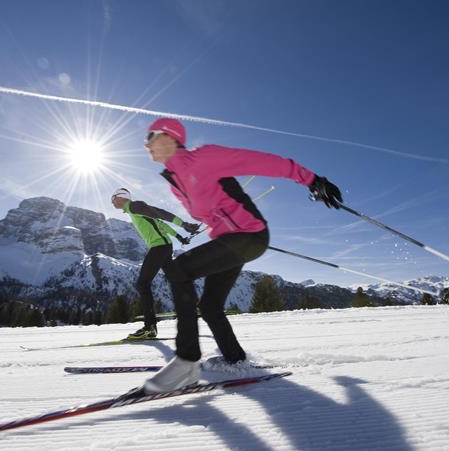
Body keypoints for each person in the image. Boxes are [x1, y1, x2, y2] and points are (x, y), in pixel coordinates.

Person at [137, 117, 342, 394]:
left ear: (170, 137)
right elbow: (214, 208)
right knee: (209, 305)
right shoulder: (176, 181)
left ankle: (186, 362)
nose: (146, 143)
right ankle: (235, 359)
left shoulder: (205, 157)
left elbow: (263, 162)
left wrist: (313, 180)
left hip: (249, 236)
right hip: (231, 239)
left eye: (151, 135)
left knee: (178, 270)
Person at [111, 187, 200, 339]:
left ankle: (149, 327)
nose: (112, 202)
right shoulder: (136, 210)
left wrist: (184, 224)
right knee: (175, 278)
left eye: (113, 198)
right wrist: (180, 237)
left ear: (121, 197)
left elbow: (160, 213)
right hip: (165, 246)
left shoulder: (134, 206)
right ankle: (195, 306)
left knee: (142, 284)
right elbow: (161, 223)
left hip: (159, 247)